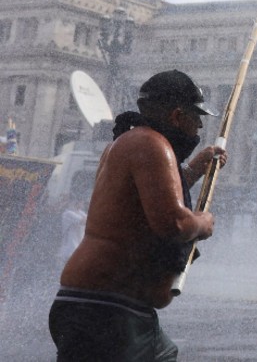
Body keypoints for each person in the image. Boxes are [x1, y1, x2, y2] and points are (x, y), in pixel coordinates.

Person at [49, 69, 228, 361]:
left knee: (165, 353)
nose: (198, 127)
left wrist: (195, 169)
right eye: (196, 118)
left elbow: (149, 198)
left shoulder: (130, 143)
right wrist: (203, 223)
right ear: (176, 116)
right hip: (107, 311)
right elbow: (173, 222)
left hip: (110, 307)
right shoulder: (150, 144)